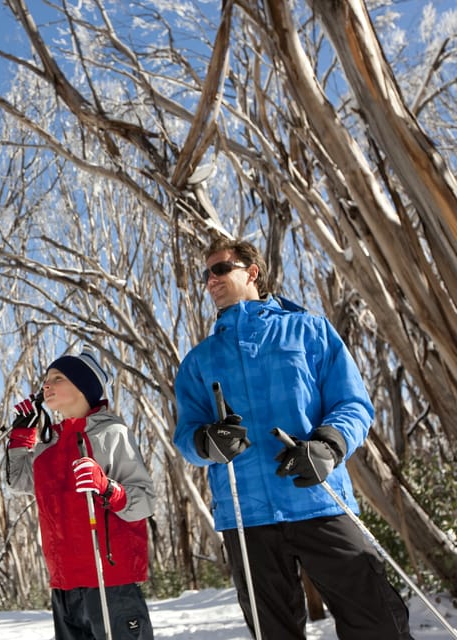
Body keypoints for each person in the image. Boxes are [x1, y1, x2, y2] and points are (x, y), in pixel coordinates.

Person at [173, 237, 412, 640]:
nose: (210, 281)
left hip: (318, 498)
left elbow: (352, 403)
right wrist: (206, 443)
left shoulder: (309, 330)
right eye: (205, 274)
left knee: (377, 621)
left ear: (252, 272)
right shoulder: (199, 360)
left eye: (219, 269)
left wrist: (327, 446)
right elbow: (186, 434)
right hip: (245, 514)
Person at [7, 349, 156, 640]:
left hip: (110, 581)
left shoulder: (112, 433)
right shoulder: (48, 444)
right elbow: (21, 482)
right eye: (46, 379)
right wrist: (22, 436)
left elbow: (144, 501)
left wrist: (107, 488)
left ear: (85, 388)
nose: (46, 385)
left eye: (58, 378)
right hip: (64, 584)